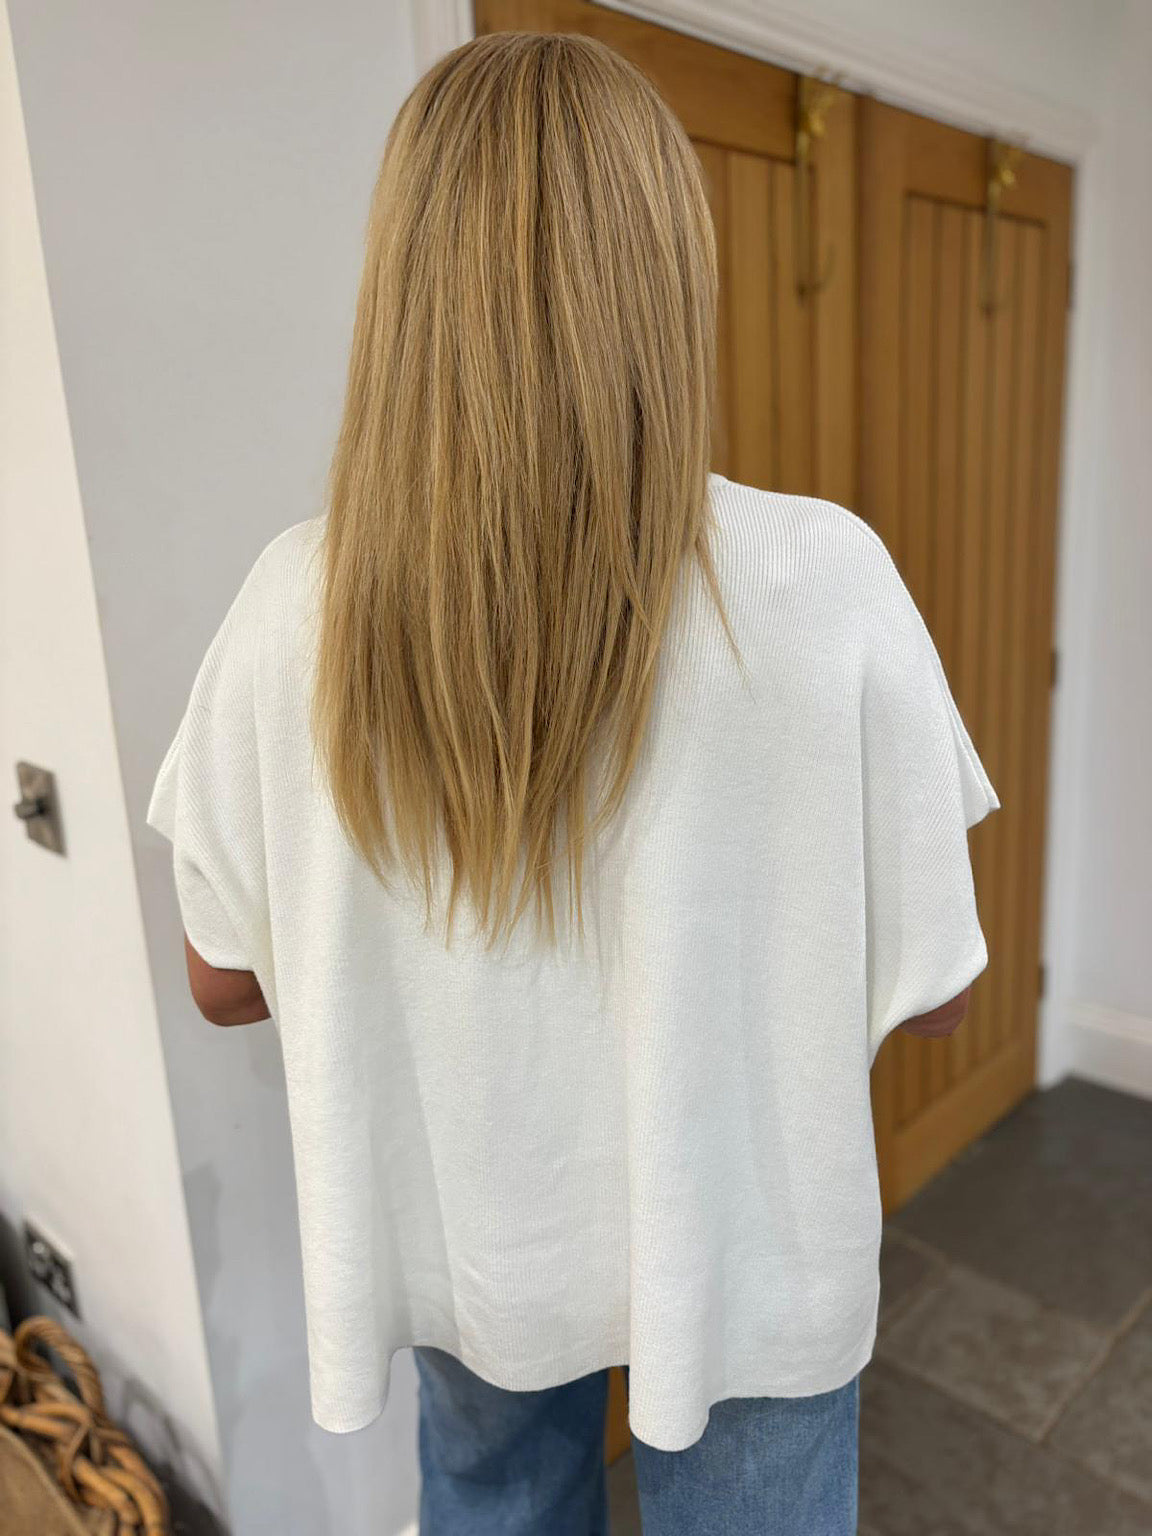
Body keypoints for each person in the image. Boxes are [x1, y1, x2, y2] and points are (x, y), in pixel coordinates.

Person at [148, 30, 998, 1536]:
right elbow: (935, 993)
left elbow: (222, 981)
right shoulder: (821, 582)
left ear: (404, 288)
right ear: (668, 276)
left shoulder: (298, 605)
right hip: (747, 1248)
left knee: (493, 1502)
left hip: (475, 1242)